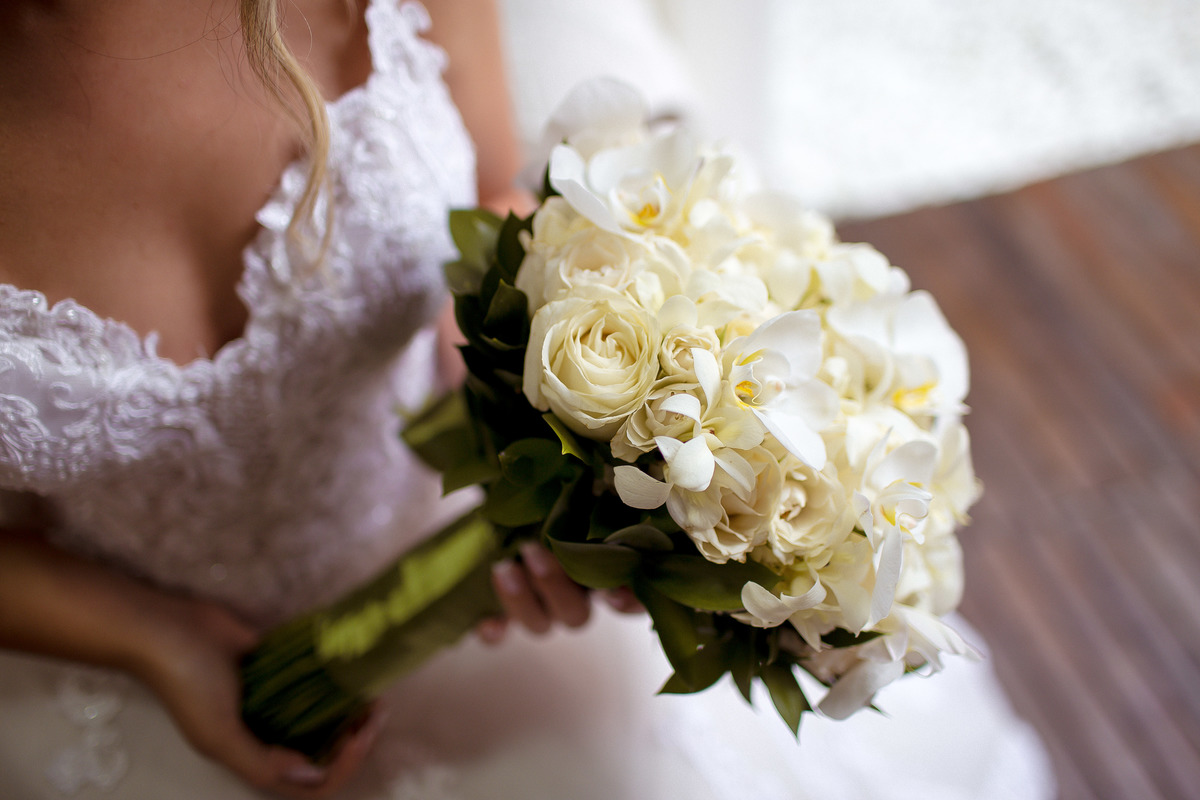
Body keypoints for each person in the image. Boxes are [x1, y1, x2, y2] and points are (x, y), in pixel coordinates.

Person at [0, 1, 1056, 798]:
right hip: (119, 658)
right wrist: (154, 636)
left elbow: (493, 192)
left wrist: (540, 440)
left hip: (461, 529)